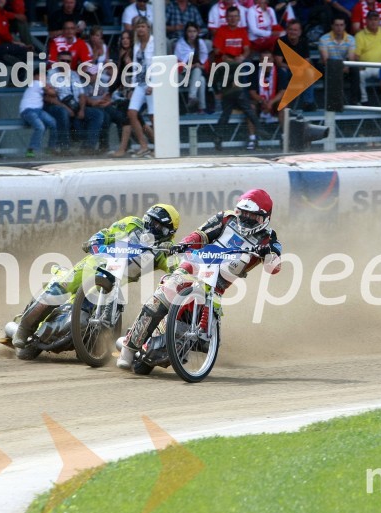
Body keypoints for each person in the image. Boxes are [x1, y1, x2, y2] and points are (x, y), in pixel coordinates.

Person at [117, 189, 282, 371]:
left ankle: (185, 343)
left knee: (159, 357)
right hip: (194, 265)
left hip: (216, 287)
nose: (246, 219)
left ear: (265, 218)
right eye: (243, 213)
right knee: (168, 290)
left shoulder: (269, 238)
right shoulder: (225, 218)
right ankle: (128, 348)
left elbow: (274, 267)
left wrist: (268, 254)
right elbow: (200, 234)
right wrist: (184, 244)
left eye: (252, 216)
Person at [12, 203, 182, 355]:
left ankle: (88, 343)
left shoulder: (163, 253)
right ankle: (23, 329)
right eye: (151, 221)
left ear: (169, 233)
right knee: (59, 290)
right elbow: (108, 233)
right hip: (92, 265)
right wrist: (95, 240)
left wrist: (174, 257)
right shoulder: (132, 224)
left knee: (90, 317)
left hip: (111, 285)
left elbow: (176, 269)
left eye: (159, 226)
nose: (153, 227)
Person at [213, 6, 260, 149]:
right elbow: (217, 51)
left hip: (238, 65)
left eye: (235, 16)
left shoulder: (242, 31)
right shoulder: (221, 31)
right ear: (226, 18)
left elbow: (246, 49)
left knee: (247, 66)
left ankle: (243, 97)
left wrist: (242, 57)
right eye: (230, 16)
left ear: (239, 18)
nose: (233, 19)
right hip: (226, 67)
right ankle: (242, 98)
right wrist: (231, 58)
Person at [273, 19, 316, 110]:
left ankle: (308, 103)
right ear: (287, 30)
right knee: (283, 72)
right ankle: (283, 101)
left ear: (300, 32)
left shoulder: (303, 41)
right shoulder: (281, 41)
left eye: (295, 30)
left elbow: (307, 61)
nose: (293, 32)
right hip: (285, 69)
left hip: (299, 70)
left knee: (309, 72)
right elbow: (279, 63)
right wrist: (294, 68)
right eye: (291, 29)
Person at [128, 16, 155, 157]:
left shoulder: (154, 42)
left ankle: (160, 146)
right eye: (138, 27)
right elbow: (135, 66)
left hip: (152, 83)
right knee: (132, 113)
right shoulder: (137, 45)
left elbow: (158, 65)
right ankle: (143, 145)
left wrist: (152, 84)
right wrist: (132, 87)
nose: (140, 29)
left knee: (153, 116)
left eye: (143, 26)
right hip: (139, 83)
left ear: (148, 28)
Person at [318, 15, 360, 104]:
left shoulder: (351, 39)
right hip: (329, 67)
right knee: (328, 70)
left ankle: (354, 100)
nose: (339, 28)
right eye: (336, 25)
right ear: (332, 26)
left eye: (341, 25)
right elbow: (325, 60)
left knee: (355, 69)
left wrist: (345, 67)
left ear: (345, 26)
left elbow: (351, 58)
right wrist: (338, 68)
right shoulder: (323, 39)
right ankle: (332, 102)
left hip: (344, 67)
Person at [20, 64, 58, 157]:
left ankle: (51, 148)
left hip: (38, 111)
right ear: (36, 76)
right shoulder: (36, 83)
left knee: (53, 123)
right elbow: (53, 93)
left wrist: (50, 88)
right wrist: (51, 88)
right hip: (28, 111)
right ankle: (31, 150)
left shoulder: (38, 85)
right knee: (40, 127)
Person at [175, 21, 210, 113]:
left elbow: (205, 63)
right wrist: (193, 66)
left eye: (194, 31)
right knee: (199, 76)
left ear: (197, 32)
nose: (192, 34)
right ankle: (196, 101)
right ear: (186, 32)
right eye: (189, 31)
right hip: (182, 74)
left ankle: (196, 102)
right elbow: (179, 66)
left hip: (195, 74)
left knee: (201, 78)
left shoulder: (200, 43)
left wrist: (200, 66)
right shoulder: (181, 44)